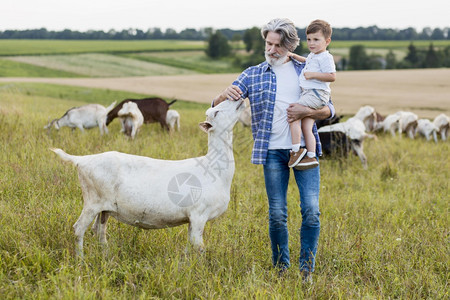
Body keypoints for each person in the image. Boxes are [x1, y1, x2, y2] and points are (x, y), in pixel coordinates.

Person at [212, 18, 335, 282]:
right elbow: (215, 106)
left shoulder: (307, 66)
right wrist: (223, 94)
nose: (271, 50)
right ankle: (281, 269)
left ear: (290, 46)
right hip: (271, 152)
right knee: (277, 214)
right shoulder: (253, 73)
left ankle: (306, 270)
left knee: (311, 210)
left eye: (278, 45)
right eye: (268, 43)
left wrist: (307, 111)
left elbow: (329, 109)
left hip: (304, 151)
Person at [288, 19, 336, 169]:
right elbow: (306, 62)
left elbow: (332, 76)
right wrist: (294, 56)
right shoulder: (313, 55)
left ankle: (295, 150)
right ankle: (310, 156)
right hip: (312, 94)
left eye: (316, 39)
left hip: (315, 94)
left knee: (293, 114)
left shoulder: (325, 57)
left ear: (327, 41)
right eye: (309, 39)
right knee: (307, 127)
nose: (311, 43)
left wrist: (313, 75)